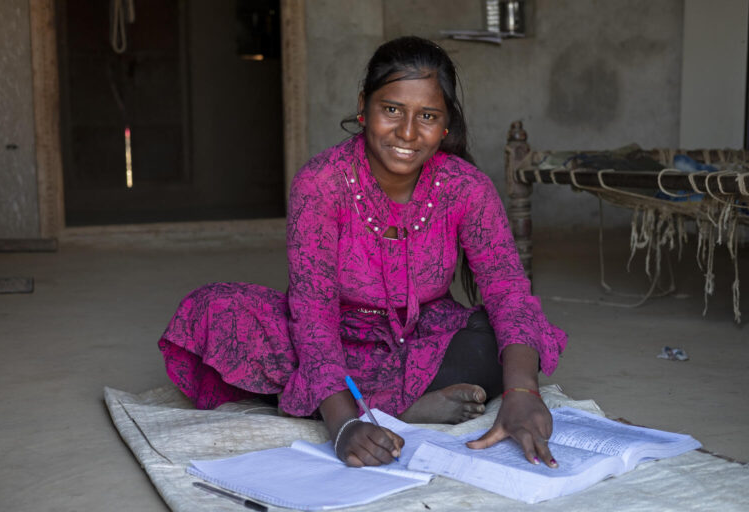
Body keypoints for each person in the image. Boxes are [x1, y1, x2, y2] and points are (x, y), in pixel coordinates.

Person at [158, 36, 567, 470]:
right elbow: (312, 310)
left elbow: (507, 289)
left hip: (423, 338)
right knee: (214, 310)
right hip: (330, 332)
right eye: (392, 109)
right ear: (363, 107)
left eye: (427, 116)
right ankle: (389, 408)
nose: (408, 133)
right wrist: (342, 427)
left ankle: (353, 399)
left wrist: (523, 392)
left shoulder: (466, 188)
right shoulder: (322, 183)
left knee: (501, 337)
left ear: (446, 125)